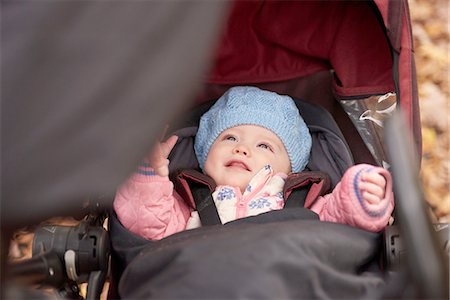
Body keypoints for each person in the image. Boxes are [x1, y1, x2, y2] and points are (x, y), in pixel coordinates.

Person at [113, 86, 394, 240]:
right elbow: (147, 220)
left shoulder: (306, 204)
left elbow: (341, 217)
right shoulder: (185, 205)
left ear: (292, 169)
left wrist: (361, 195)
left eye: (263, 145)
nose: (242, 149)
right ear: (203, 154)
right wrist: (149, 173)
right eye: (230, 138)